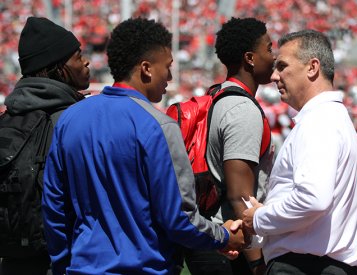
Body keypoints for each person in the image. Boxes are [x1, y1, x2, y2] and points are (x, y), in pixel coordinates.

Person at [41, 17, 245, 275]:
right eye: (168, 67)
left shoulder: (70, 119)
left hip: (83, 268)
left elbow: (54, 209)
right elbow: (179, 219)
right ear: (146, 68)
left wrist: (63, 265)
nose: (170, 76)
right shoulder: (160, 126)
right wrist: (224, 236)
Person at [241, 30, 357, 275]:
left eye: (282, 66)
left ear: (312, 68)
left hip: (305, 266)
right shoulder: (328, 116)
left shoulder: (319, 120)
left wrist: (259, 218)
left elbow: (312, 199)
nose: (274, 75)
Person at [183, 17, 275, 275]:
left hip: (216, 238)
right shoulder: (242, 109)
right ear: (250, 58)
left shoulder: (219, 94)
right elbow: (239, 196)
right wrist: (257, 263)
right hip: (231, 244)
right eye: (268, 49)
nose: (274, 56)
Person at [0, 16, 90, 275]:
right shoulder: (77, 120)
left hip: (13, 262)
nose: (85, 62)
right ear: (57, 67)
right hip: (68, 261)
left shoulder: (7, 120)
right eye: (77, 56)